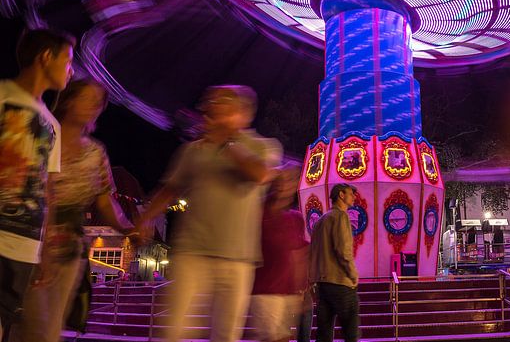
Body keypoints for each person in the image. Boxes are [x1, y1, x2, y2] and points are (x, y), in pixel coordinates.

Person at [137, 85, 281, 342]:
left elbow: (259, 175)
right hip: (191, 253)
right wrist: (144, 217)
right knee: (171, 330)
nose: (211, 106)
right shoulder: (192, 151)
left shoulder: (264, 146)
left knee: (225, 335)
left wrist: (227, 142)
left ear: (243, 113)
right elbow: (169, 190)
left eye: (222, 102)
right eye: (210, 102)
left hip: (238, 258)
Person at [11, 79, 137, 342]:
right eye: (88, 97)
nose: (95, 105)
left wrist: (126, 227)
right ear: (68, 99)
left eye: (99, 101)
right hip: (30, 238)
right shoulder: (42, 137)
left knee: (52, 321)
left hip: (69, 245)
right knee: (30, 319)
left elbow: (104, 200)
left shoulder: (95, 152)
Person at [0, 28, 74, 342]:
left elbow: (47, 188)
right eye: (68, 61)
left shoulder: (52, 124)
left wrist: (44, 250)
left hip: (25, 245)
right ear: (46, 58)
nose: (71, 71)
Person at [251, 165, 308, 342]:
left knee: (284, 337)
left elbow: (300, 255)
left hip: (288, 290)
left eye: (291, 180)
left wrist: (301, 289)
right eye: (282, 180)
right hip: (265, 289)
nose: (286, 185)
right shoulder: (259, 212)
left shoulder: (296, 218)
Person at [309, 183, 360, 342]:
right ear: (341, 195)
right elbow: (343, 249)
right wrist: (353, 274)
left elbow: (314, 252)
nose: (354, 197)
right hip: (341, 282)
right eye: (351, 193)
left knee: (324, 333)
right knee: (351, 332)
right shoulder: (341, 216)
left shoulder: (320, 221)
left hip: (323, 284)